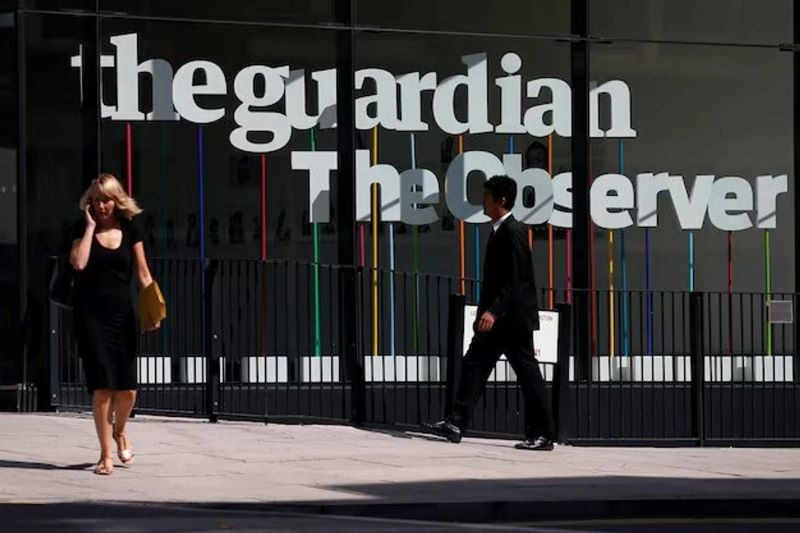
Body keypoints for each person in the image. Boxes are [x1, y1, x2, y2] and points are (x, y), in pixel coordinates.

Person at [424, 175, 556, 450]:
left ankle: (542, 434)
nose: (482, 201)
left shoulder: (513, 231)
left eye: (486, 197)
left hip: (511, 320)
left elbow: (515, 279)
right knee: (474, 365)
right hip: (498, 319)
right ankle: (456, 423)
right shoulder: (500, 231)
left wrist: (493, 312)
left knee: (528, 374)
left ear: (501, 200)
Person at [69, 173, 161, 475]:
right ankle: (106, 455)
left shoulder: (131, 229)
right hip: (91, 314)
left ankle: (120, 430)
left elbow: (144, 274)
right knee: (102, 389)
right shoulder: (82, 228)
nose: (102, 205)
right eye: (96, 200)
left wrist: (154, 308)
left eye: (106, 199)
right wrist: (91, 227)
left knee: (128, 390)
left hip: (123, 313)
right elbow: (78, 264)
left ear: (116, 199)